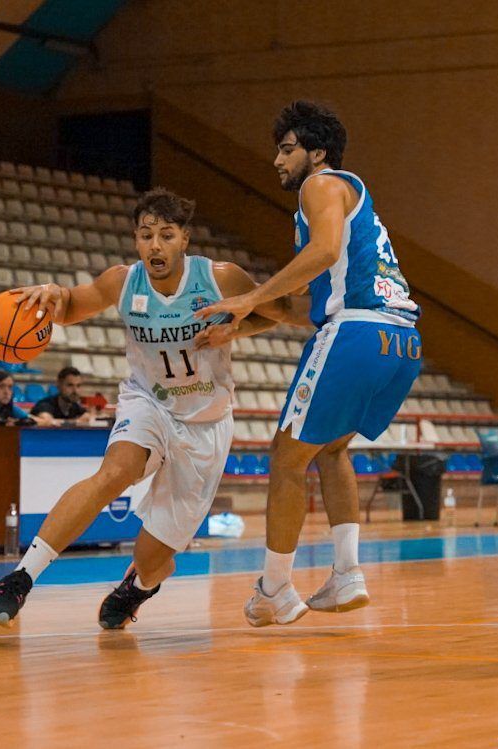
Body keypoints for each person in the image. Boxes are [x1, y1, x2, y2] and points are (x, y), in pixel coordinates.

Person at [0, 187, 290, 630]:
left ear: (184, 239)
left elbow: (276, 311)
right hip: (148, 401)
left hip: (205, 422)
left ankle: (139, 586)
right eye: (146, 235)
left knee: (152, 559)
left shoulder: (220, 278)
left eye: (166, 235)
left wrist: (233, 332)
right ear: (136, 240)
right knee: (114, 473)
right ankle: (20, 578)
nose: (155, 245)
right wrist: (52, 294)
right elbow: (69, 307)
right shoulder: (123, 281)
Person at [195, 100, 423, 626]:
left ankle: (274, 587)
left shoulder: (320, 186)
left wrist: (246, 299)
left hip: (358, 332)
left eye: (287, 148)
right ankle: (347, 574)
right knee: (331, 450)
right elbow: (308, 309)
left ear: (316, 153)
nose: (277, 159)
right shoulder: (352, 204)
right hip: (400, 340)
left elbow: (321, 253)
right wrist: (245, 320)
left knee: (286, 457)